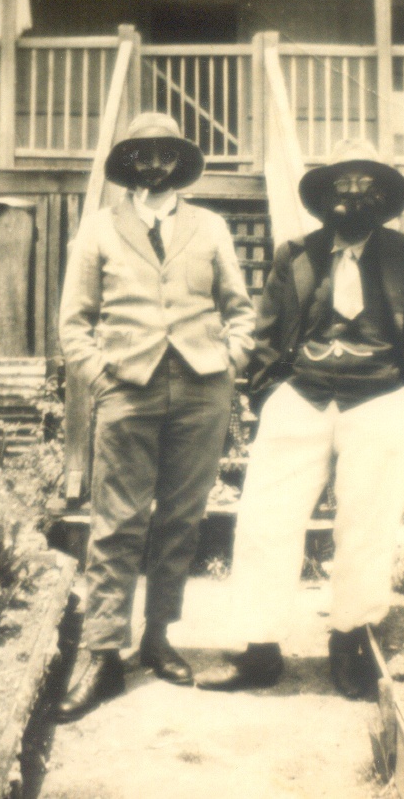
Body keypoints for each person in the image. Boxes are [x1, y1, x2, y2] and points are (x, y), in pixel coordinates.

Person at [196, 139, 404, 698]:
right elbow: (265, 340)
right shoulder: (296, 255)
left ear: (383, 197)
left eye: (366, 186)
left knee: (366, 525)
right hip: (304, 397)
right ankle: (259, 649)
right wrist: (270, 395)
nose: (353, 197)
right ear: (325, 193)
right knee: (265, 518)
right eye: (342, 184)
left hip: (383, 400)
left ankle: (351, 643)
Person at [57, 112, 255, 720]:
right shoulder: (99, 229)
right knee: (116, 523)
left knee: (180, 519)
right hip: (128, 390)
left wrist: (229, 360)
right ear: (128, 165)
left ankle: (158, 637)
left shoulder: (211, 227)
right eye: (141, 156)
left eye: (164, 156)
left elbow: (240, 310)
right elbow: (74, 322)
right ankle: (103, 655)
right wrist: (101, 375)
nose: (153, 166)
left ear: (178, 164)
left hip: (201, 391)